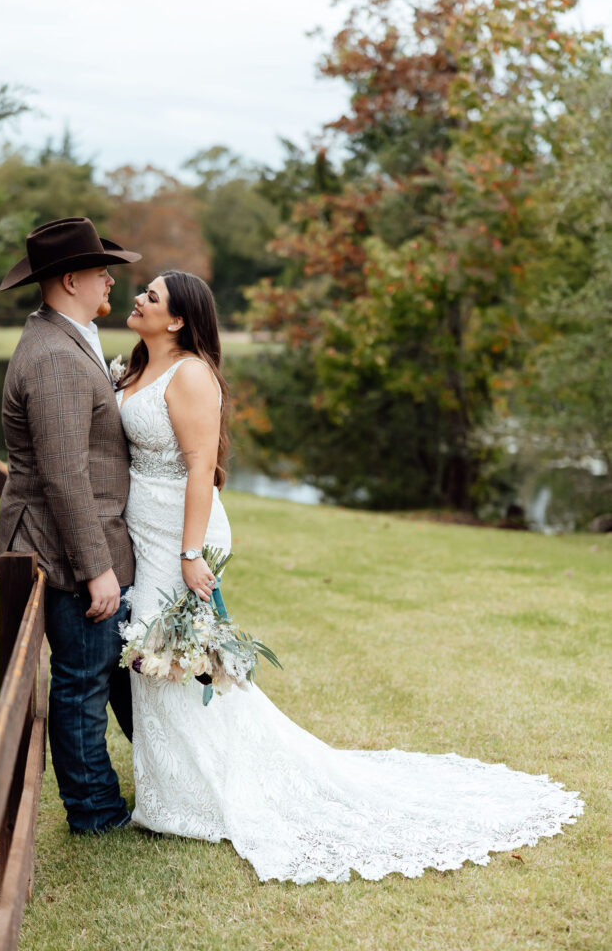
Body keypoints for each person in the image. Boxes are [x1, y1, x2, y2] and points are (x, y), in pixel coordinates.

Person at [118, 270, 583, 884]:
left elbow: (202, 465)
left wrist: (190, 553)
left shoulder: (192, 375)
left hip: (183, 535)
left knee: (170, 660)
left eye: (151, 296)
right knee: (157, 663)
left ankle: (190, 800)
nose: (138, 299)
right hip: (144, 529)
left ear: (177, 319)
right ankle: (174, 794)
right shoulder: (130, 368)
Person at [0, 216, 142, 834]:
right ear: (72, 278)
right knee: (84, 681)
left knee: (102, 674)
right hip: (63, 549)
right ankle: (96, 812)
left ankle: (141, 785)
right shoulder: (54, 358)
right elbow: (63, 476)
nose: (111, 280)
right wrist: (97, 570)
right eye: (102, 270)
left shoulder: (66, 338)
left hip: (77, 542)